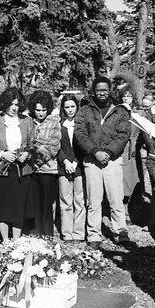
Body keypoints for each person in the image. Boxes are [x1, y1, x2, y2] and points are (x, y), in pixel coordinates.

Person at [74, 76, 131, 249]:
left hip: (112, 160)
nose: (102, 93)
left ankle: (120, 231)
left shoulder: (120, 111)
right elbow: (80, 133)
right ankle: (94, 235)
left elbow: (124, 135)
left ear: (110, 90)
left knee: (116, 199)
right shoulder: (84, 110)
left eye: (105, 90)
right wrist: (95, 151)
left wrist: (107, 152)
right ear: (93, 91)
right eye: (98, 90)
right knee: (94, 200)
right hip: (92, 160)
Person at [0, 87, 35, 242]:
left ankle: (16, 239)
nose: (14, 108)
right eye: (11, 104)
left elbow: (33, 144)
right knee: (2, 207)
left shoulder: (27, 121)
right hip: (0, 170)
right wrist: (2, 154)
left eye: (17, 105)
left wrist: (27, 153)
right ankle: (5, 239)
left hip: (21, 169)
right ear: (4, 103)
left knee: (19, 205)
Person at [26, 90, 61, 236]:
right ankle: (36, 231)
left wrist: (38, 160)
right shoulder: (28, 121)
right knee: (34, 202)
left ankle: (47, 233)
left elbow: (53, 146)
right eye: (38, 110)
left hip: (47, 169)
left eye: (44, 110)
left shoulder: (54, 122)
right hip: (31, 169)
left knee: (46, 203)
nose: (40, 113)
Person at [57, 94, 86, 242]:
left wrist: (75, 162)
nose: (70, 110)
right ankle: (67, 233)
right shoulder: (59, 125)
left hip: (79, 166)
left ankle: (79, 233)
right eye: (67, 107)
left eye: (72, 106)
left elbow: (84, 145)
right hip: (64, 167)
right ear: (63, 108)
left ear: (77, 107)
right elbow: (56, 145)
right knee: (65, 200)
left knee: (79, 201)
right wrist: (65, 162)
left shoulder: (81, 124)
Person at [118, 86, 139, 203]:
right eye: (124, 96)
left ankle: (133, 203)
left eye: (129, 96)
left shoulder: (137, 113)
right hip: (123, 148)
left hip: (134, 148)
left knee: (134, 177)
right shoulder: (118, 111)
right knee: (124, 177)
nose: (126, 99)